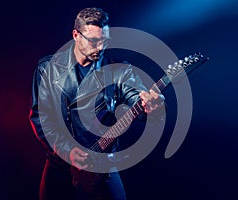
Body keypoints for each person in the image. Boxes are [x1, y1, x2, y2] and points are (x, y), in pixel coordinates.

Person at [29, 7, 165, 200]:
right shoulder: (48, 69)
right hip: (60, 165)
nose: (100, 47)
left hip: (103, 164)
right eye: (93, 41)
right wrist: (69, 152)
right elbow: (41, 119)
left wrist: (151, 105)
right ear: (76, 35)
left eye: (104, 41)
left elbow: (136, 95)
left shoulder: (119, 70)